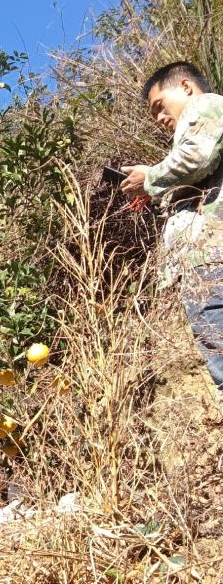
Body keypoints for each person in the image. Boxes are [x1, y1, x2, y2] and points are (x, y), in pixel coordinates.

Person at [122, 61, 223, 389]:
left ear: (185, 86)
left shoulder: (204, 104)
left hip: (211, 263)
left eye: (159, 106)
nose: (160, 119)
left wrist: (150, 177)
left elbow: (199, 155)